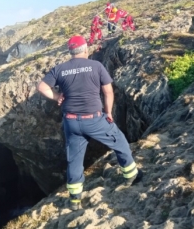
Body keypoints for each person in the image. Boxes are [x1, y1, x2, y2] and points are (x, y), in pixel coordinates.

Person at [36, 36, 143, 210]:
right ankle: (131, 175)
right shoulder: (96, 66)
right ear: (85, 49)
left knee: (75, 160)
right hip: (94, 119)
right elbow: (108, 92)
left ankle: (75, 200)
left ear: (70, 52)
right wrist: (108, 113)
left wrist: (57, 96)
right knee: (120, 142)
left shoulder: (60, 69)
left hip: (71, 122)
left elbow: (41, 87)